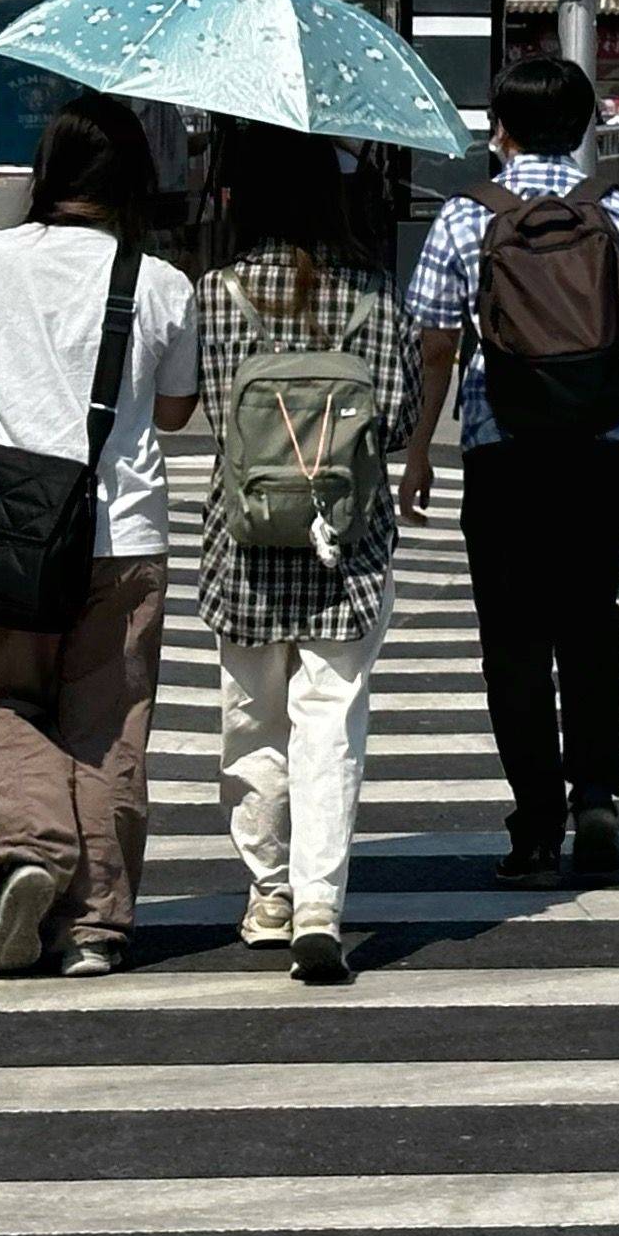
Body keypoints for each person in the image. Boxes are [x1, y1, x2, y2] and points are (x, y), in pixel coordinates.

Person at [0, 93, 201, 977]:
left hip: (9, 534)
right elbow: (177, 413)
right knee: (108, 726)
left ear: (47, 175)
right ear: (133, 184)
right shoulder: (160, 281)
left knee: (4, 697)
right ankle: (97, 929)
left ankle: (29, 853)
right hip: (125, 536)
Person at [400, 56, 619, 887]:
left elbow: (437, 344)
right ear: (588, 126)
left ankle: (534, 828)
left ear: (502, 130)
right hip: (600, 449)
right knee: (591, 622)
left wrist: (419, 450)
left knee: (513, 641)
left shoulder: (465, 217)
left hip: (503, 451)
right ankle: (596, 796)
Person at [192, 123, 420, 985]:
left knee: (250, 722)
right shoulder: (374, 295)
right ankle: (322, 903)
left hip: (243, 544)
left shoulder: (215, 293)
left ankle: (270, 891)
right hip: (347, 548)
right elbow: (395, 421)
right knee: (331, 721)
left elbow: (207, 412)